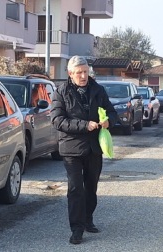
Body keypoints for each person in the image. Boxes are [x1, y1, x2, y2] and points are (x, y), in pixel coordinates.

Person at [50, 55, 117, 245]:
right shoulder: (61, 92)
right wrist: (84, 125)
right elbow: (57, 120)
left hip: (94, 148)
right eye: (79, 72)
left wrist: (108, 121)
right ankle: (77, 229)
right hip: (71, 148)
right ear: (70, 74)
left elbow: (112, 111)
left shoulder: (98, 90)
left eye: (85, 72)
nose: (83, 76)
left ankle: (88, 219)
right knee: (75, 189)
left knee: (91, 187)